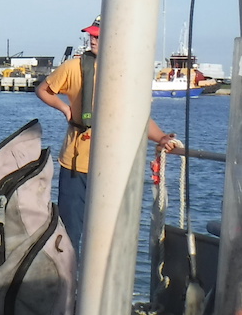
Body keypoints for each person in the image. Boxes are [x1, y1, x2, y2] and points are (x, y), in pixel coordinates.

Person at [36, 15, 180, 251]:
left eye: (98, 36)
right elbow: (43, 90)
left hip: (112, 167)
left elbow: (138, 117)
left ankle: (100, 286)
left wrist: (162, 138)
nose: (92, 39)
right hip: (75, 165)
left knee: (108, 238)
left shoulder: (127, 74)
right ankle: (70, 284)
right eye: (91, 35)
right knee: (69, 235)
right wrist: (65, 109)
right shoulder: (74, 68)